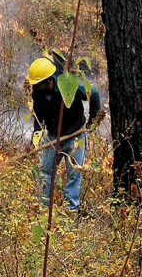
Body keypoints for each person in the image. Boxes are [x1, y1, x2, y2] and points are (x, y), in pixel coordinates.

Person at [27, 57, 101, 210]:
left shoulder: (67, 86)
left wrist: (92, 120)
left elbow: (93, 94)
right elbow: (38, 118)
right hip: (53, 137)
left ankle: (71, 209)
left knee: (74, 173)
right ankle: (42, 207)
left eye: (37, 84)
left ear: (49, 82)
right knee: (46, 172)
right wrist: (36, 139)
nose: (33, 87)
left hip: (76, 135)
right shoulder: (37, 94)